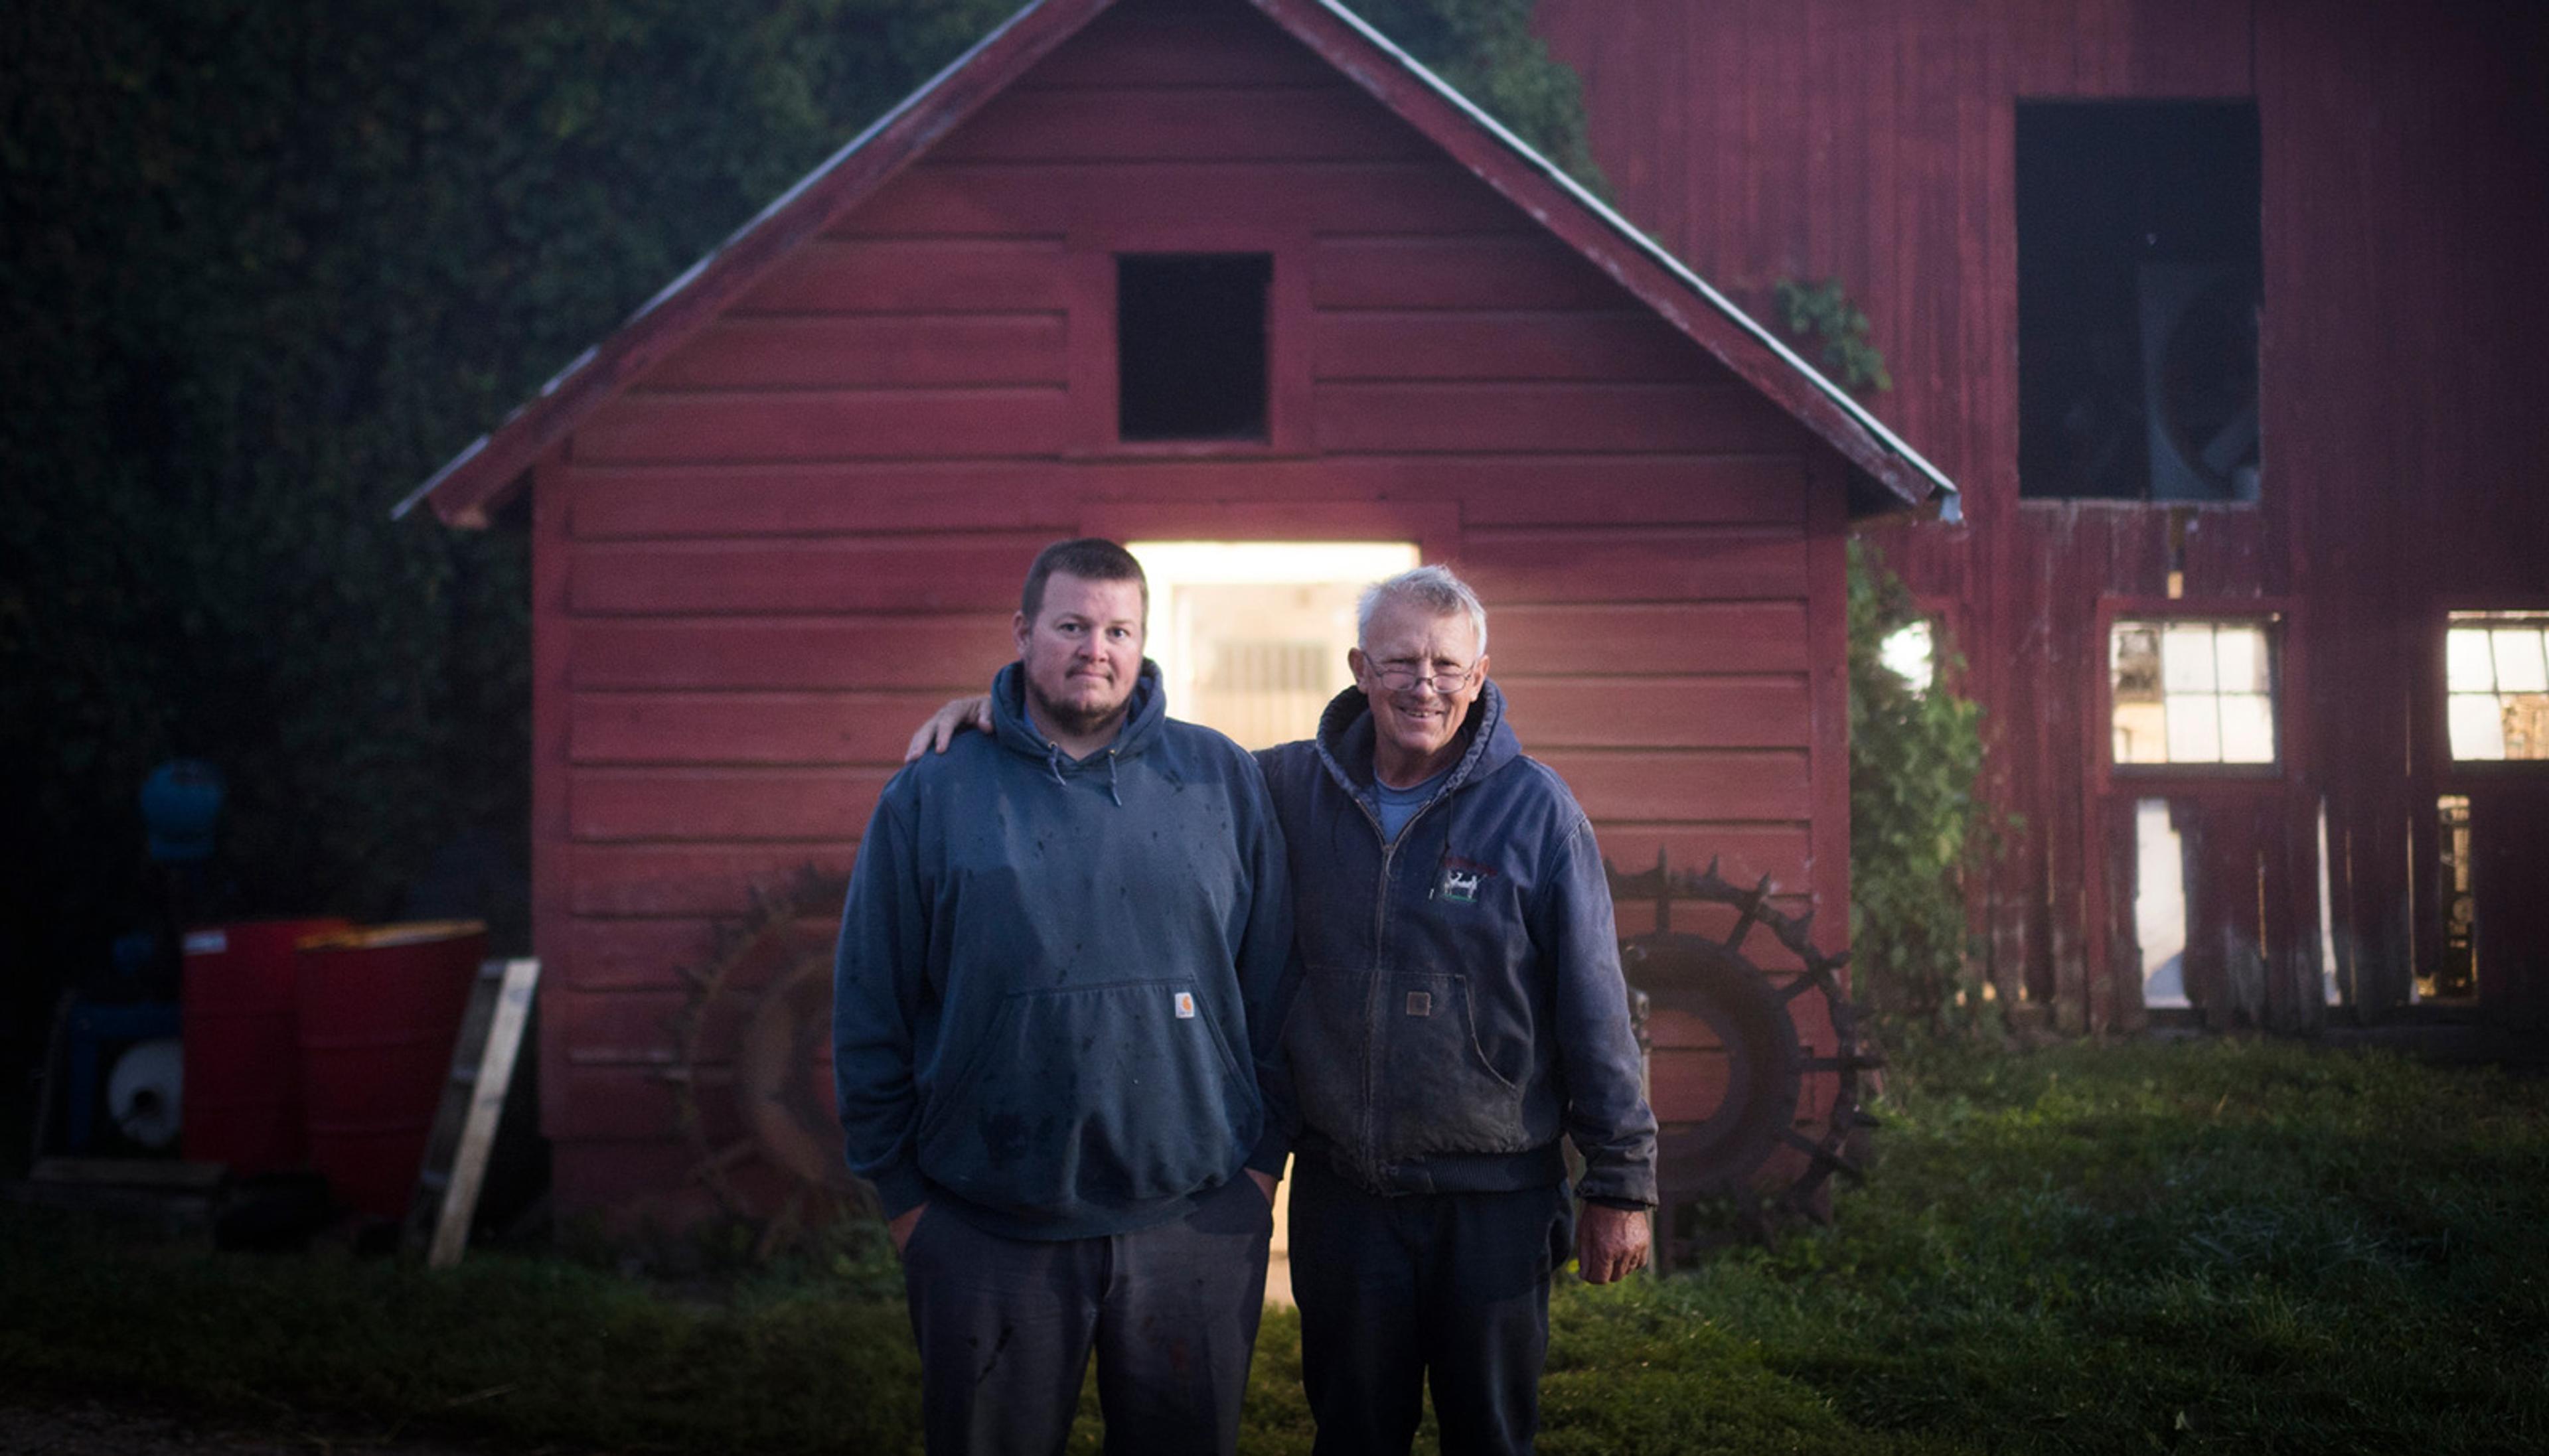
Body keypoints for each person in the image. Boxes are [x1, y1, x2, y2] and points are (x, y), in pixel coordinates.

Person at [907, 563, 1657, 1456]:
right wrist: (1001, 717)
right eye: (1401, 661)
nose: (1425, 684)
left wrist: (1622, 1180)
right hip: (1345, 1196)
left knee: (1491, 1434)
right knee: (1350, 1431)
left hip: (1495, 1198)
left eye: (1448, 666)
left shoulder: (1537, 812)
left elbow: (1596, 1006)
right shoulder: (1285, 790)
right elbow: (1146, 765)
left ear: (1480, 673)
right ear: (1359, 668)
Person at [834, 537, 1294, 1456]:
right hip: (984, 1229)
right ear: (1022, 632)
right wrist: (906, 1201)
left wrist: (1259, 1170)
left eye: (1119, 628)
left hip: (1194, 1221)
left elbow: (1276, 986)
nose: (1097, 647)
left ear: (1145, 640)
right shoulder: (932, 791)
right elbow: (869, 1003)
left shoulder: (1223, 778)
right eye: (1073, 624)